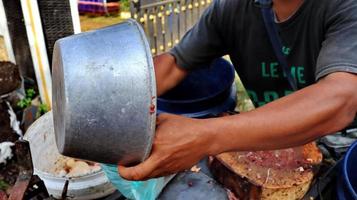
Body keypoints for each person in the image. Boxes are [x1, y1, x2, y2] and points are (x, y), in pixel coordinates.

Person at [119, 0, 357, 180]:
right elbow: (172, 65)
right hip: (274, 148)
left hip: (347, 157)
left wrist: (206, 136)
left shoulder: (346, 7)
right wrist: (114, 107)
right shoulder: (232, 8)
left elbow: (341, 98)